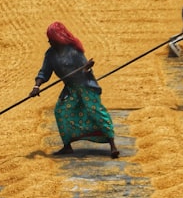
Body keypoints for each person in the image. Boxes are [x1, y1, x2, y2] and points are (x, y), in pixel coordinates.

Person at [29, 22, 119, 158]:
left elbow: (85, 69)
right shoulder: (50, 54)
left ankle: (112, 145)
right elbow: (44, 72)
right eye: (49, 40)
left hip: (86, 86)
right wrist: (37, 86)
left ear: (59, 38)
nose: (50, 42)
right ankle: (67, 146)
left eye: (52, 39)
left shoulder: (74, 51)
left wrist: (87, 67)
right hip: (71, 88)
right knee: (61, 111)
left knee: (95, 111)